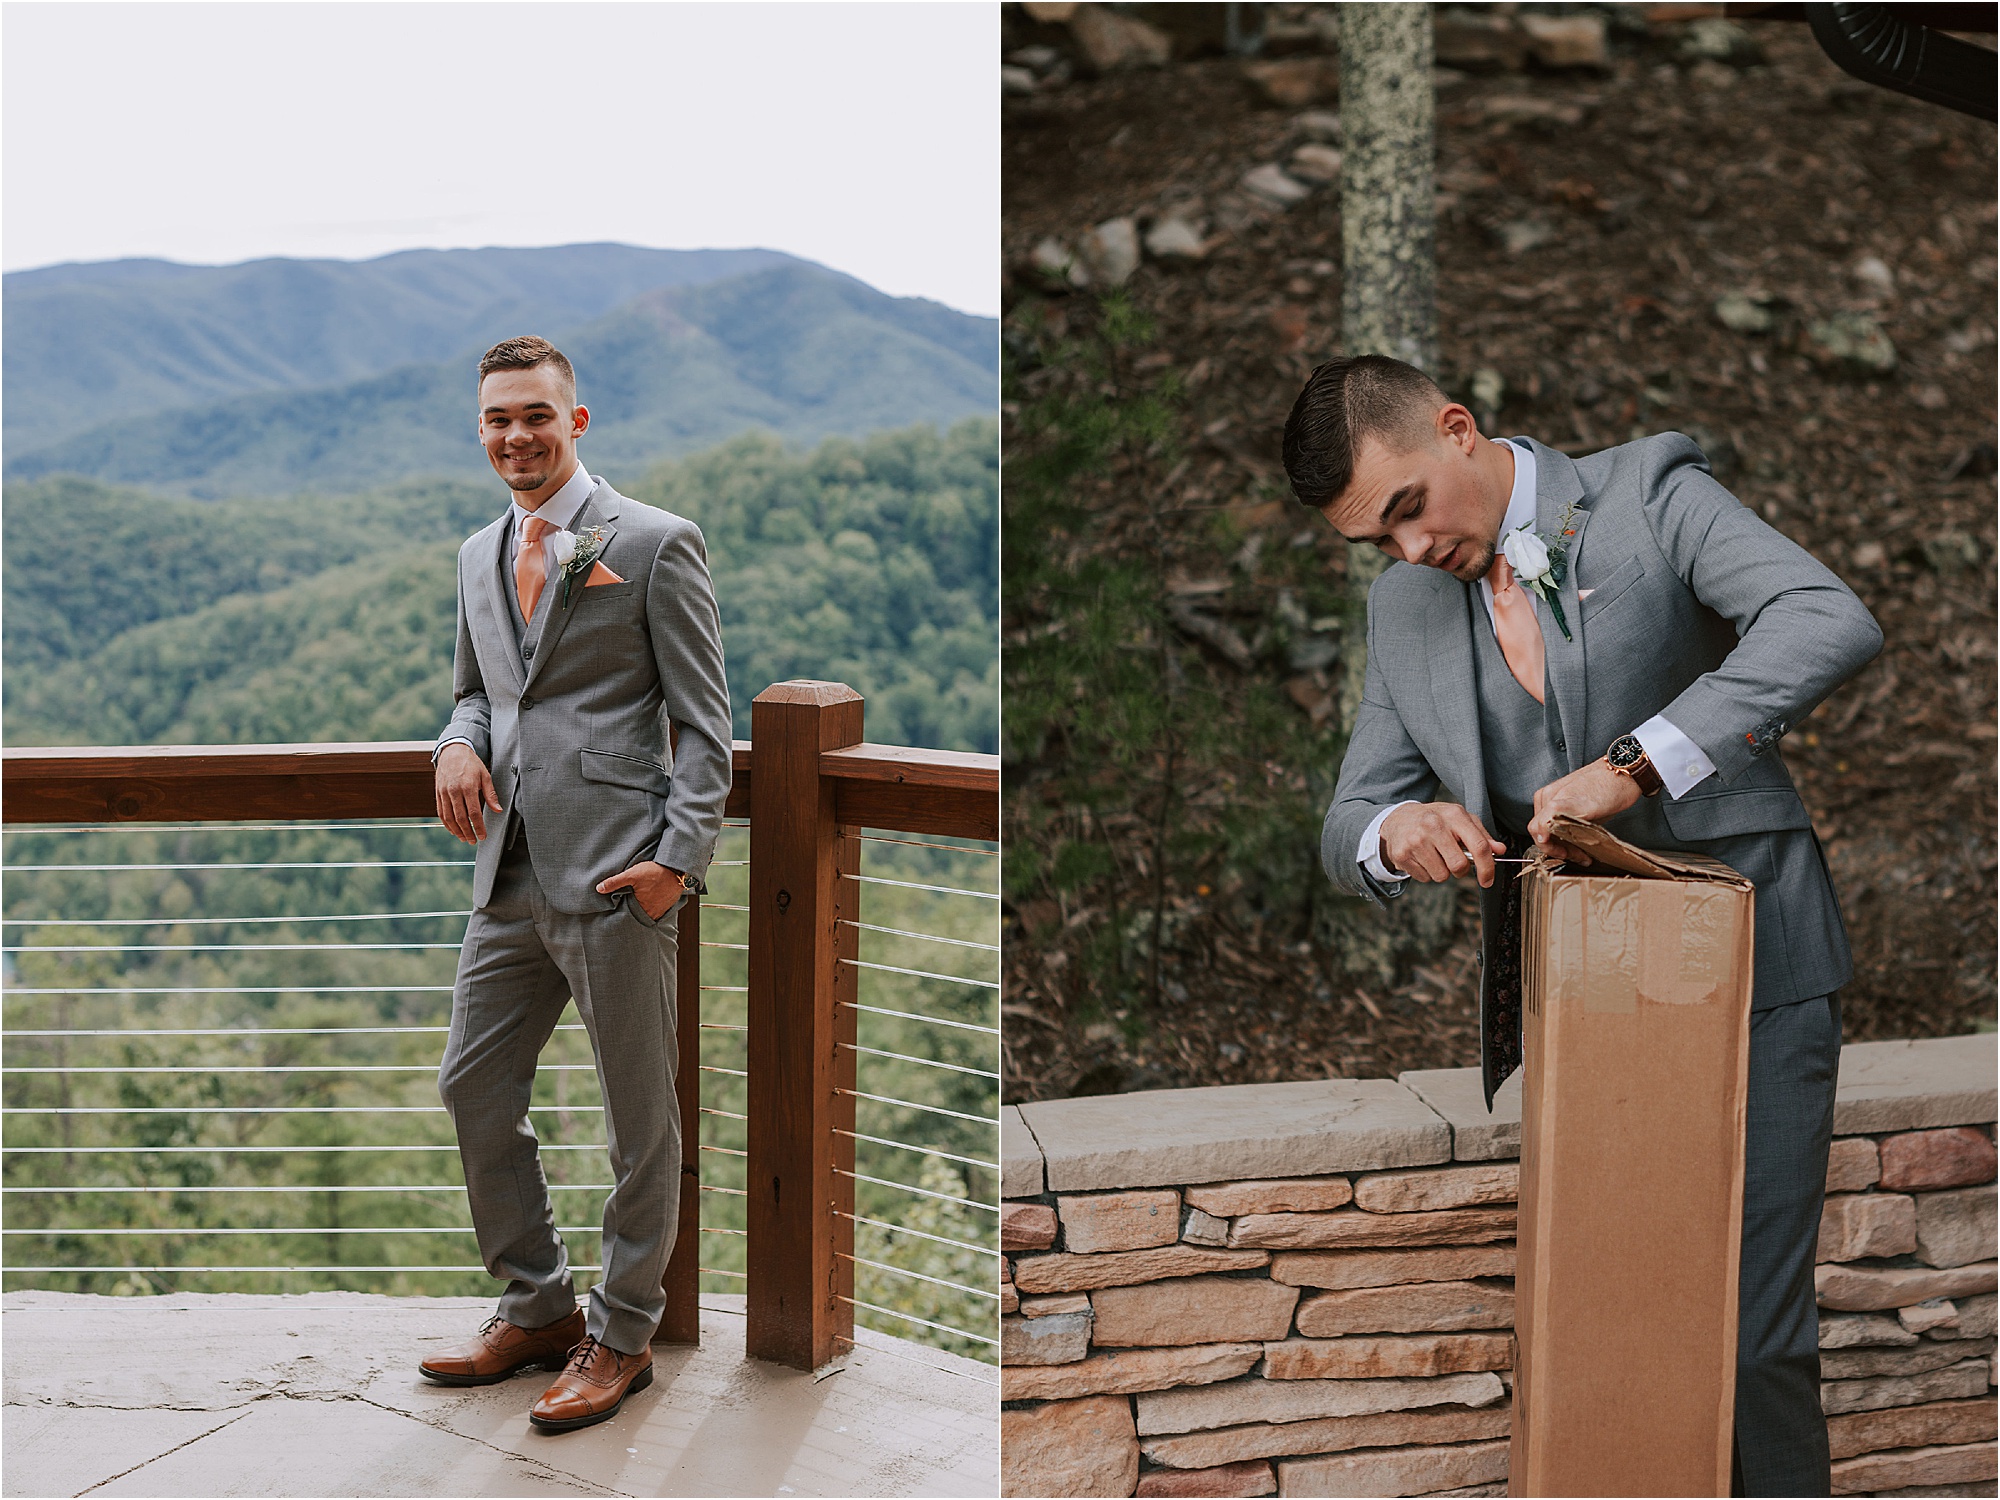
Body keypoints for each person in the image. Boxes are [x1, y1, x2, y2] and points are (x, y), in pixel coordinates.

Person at [1282, 354, 1881, 1496]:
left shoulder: (1649, 494)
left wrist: (1635, 765)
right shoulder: (1404, 606)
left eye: (1406, 508)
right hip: (1578, 1003)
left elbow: (1823, 618)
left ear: (1455, 429)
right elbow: (1348, 813)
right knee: (1606, 1326)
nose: (1408, 551)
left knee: (1751, 1335)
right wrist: (1395, 828)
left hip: (1756, 967)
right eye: (1375, 540)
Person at [419, 335, 732, 1433]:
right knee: (472, 1086)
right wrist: (453, 745)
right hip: (505, 873)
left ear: (576, 421)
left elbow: (704, 727)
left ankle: (624, 1333)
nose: (516, 435)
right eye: (497, 418)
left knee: (637, 1121)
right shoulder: (473, 552)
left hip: (616, 877)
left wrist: (673, 866)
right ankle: (538, 1304)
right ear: (482, 428)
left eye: (535, 416)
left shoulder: (653, 544)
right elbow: (478, 695)